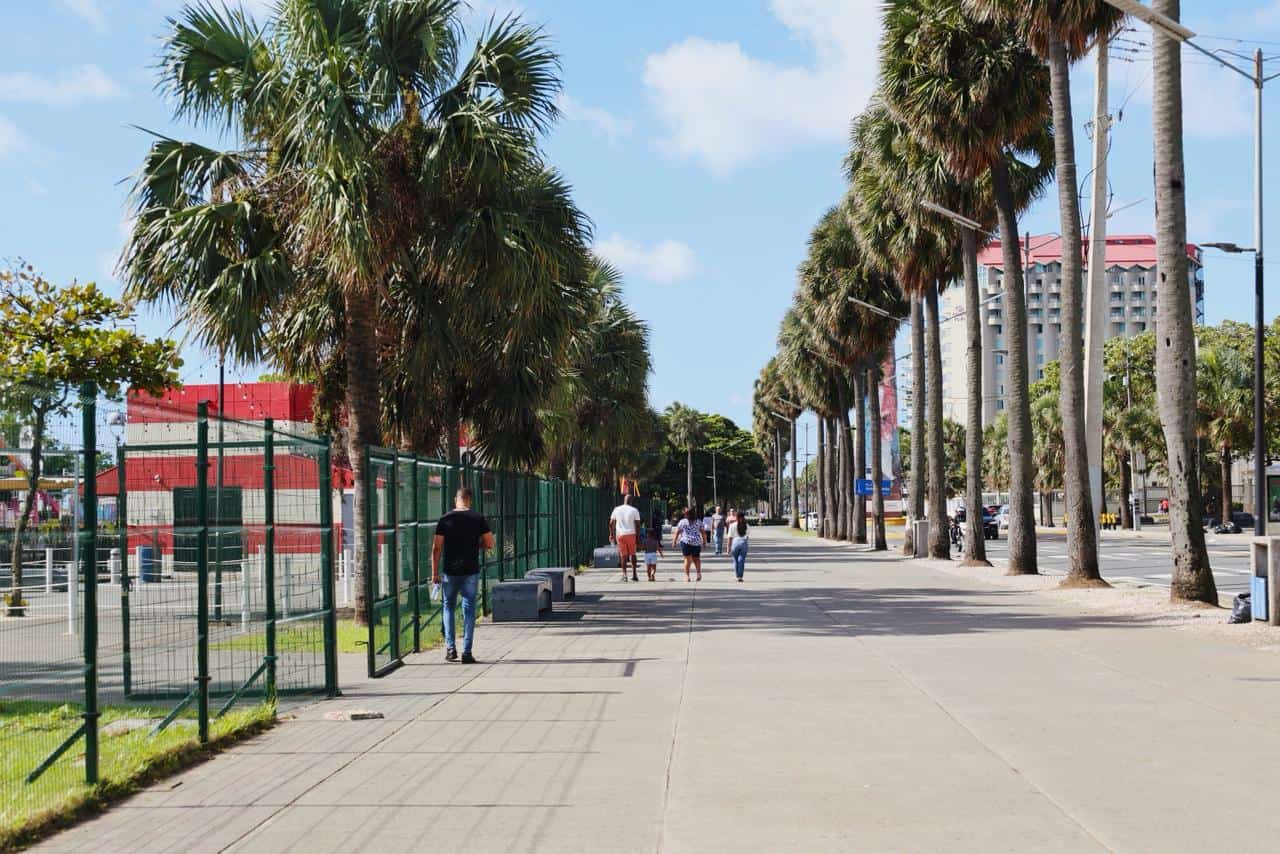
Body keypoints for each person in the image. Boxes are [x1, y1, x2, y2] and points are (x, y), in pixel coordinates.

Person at [431, 487, 495, 664]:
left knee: (448, 607)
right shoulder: (478, 518)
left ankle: (451, 649)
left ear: (456, 500)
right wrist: (477, 545)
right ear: (470, 500)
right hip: (470, 571)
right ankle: (467, 652)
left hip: (450, 571)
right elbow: (490, 543)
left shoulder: (445, 519)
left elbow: (436, 548)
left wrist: (434, 572)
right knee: (469, 609)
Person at [609, 494, 642, 582]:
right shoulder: (634, 510)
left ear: (624, 500)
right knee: (633, 554)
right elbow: (638, 525)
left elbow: (611, 523)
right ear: (631, 501)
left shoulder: (617, 509)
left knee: (623, 555)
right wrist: (638, 538)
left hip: (620, 535)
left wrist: (611, 534)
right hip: (631, 534)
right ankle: (634, 574)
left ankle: (624, 575)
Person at [673, 507, 703, 582]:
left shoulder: (682, 522)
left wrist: (674, 541)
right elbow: (703, 532)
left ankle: (687, 576)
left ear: (686, 514)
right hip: (696, 543)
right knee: (696, 559)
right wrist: (705, 541)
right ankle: (698, 574)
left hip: (685, 542)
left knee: (687, 559)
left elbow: (677, 532)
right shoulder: (698, 522)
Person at [726, 511, 750, 581]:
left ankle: (737, 576)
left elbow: (730, 537)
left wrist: (728, 547)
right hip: (743, 542)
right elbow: (747, 536)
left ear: (736, 517)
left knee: (735, 560)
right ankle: (740, 577)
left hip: (735, 543)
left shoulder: (732, 525)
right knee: (741, 560)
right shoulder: (746, 525)